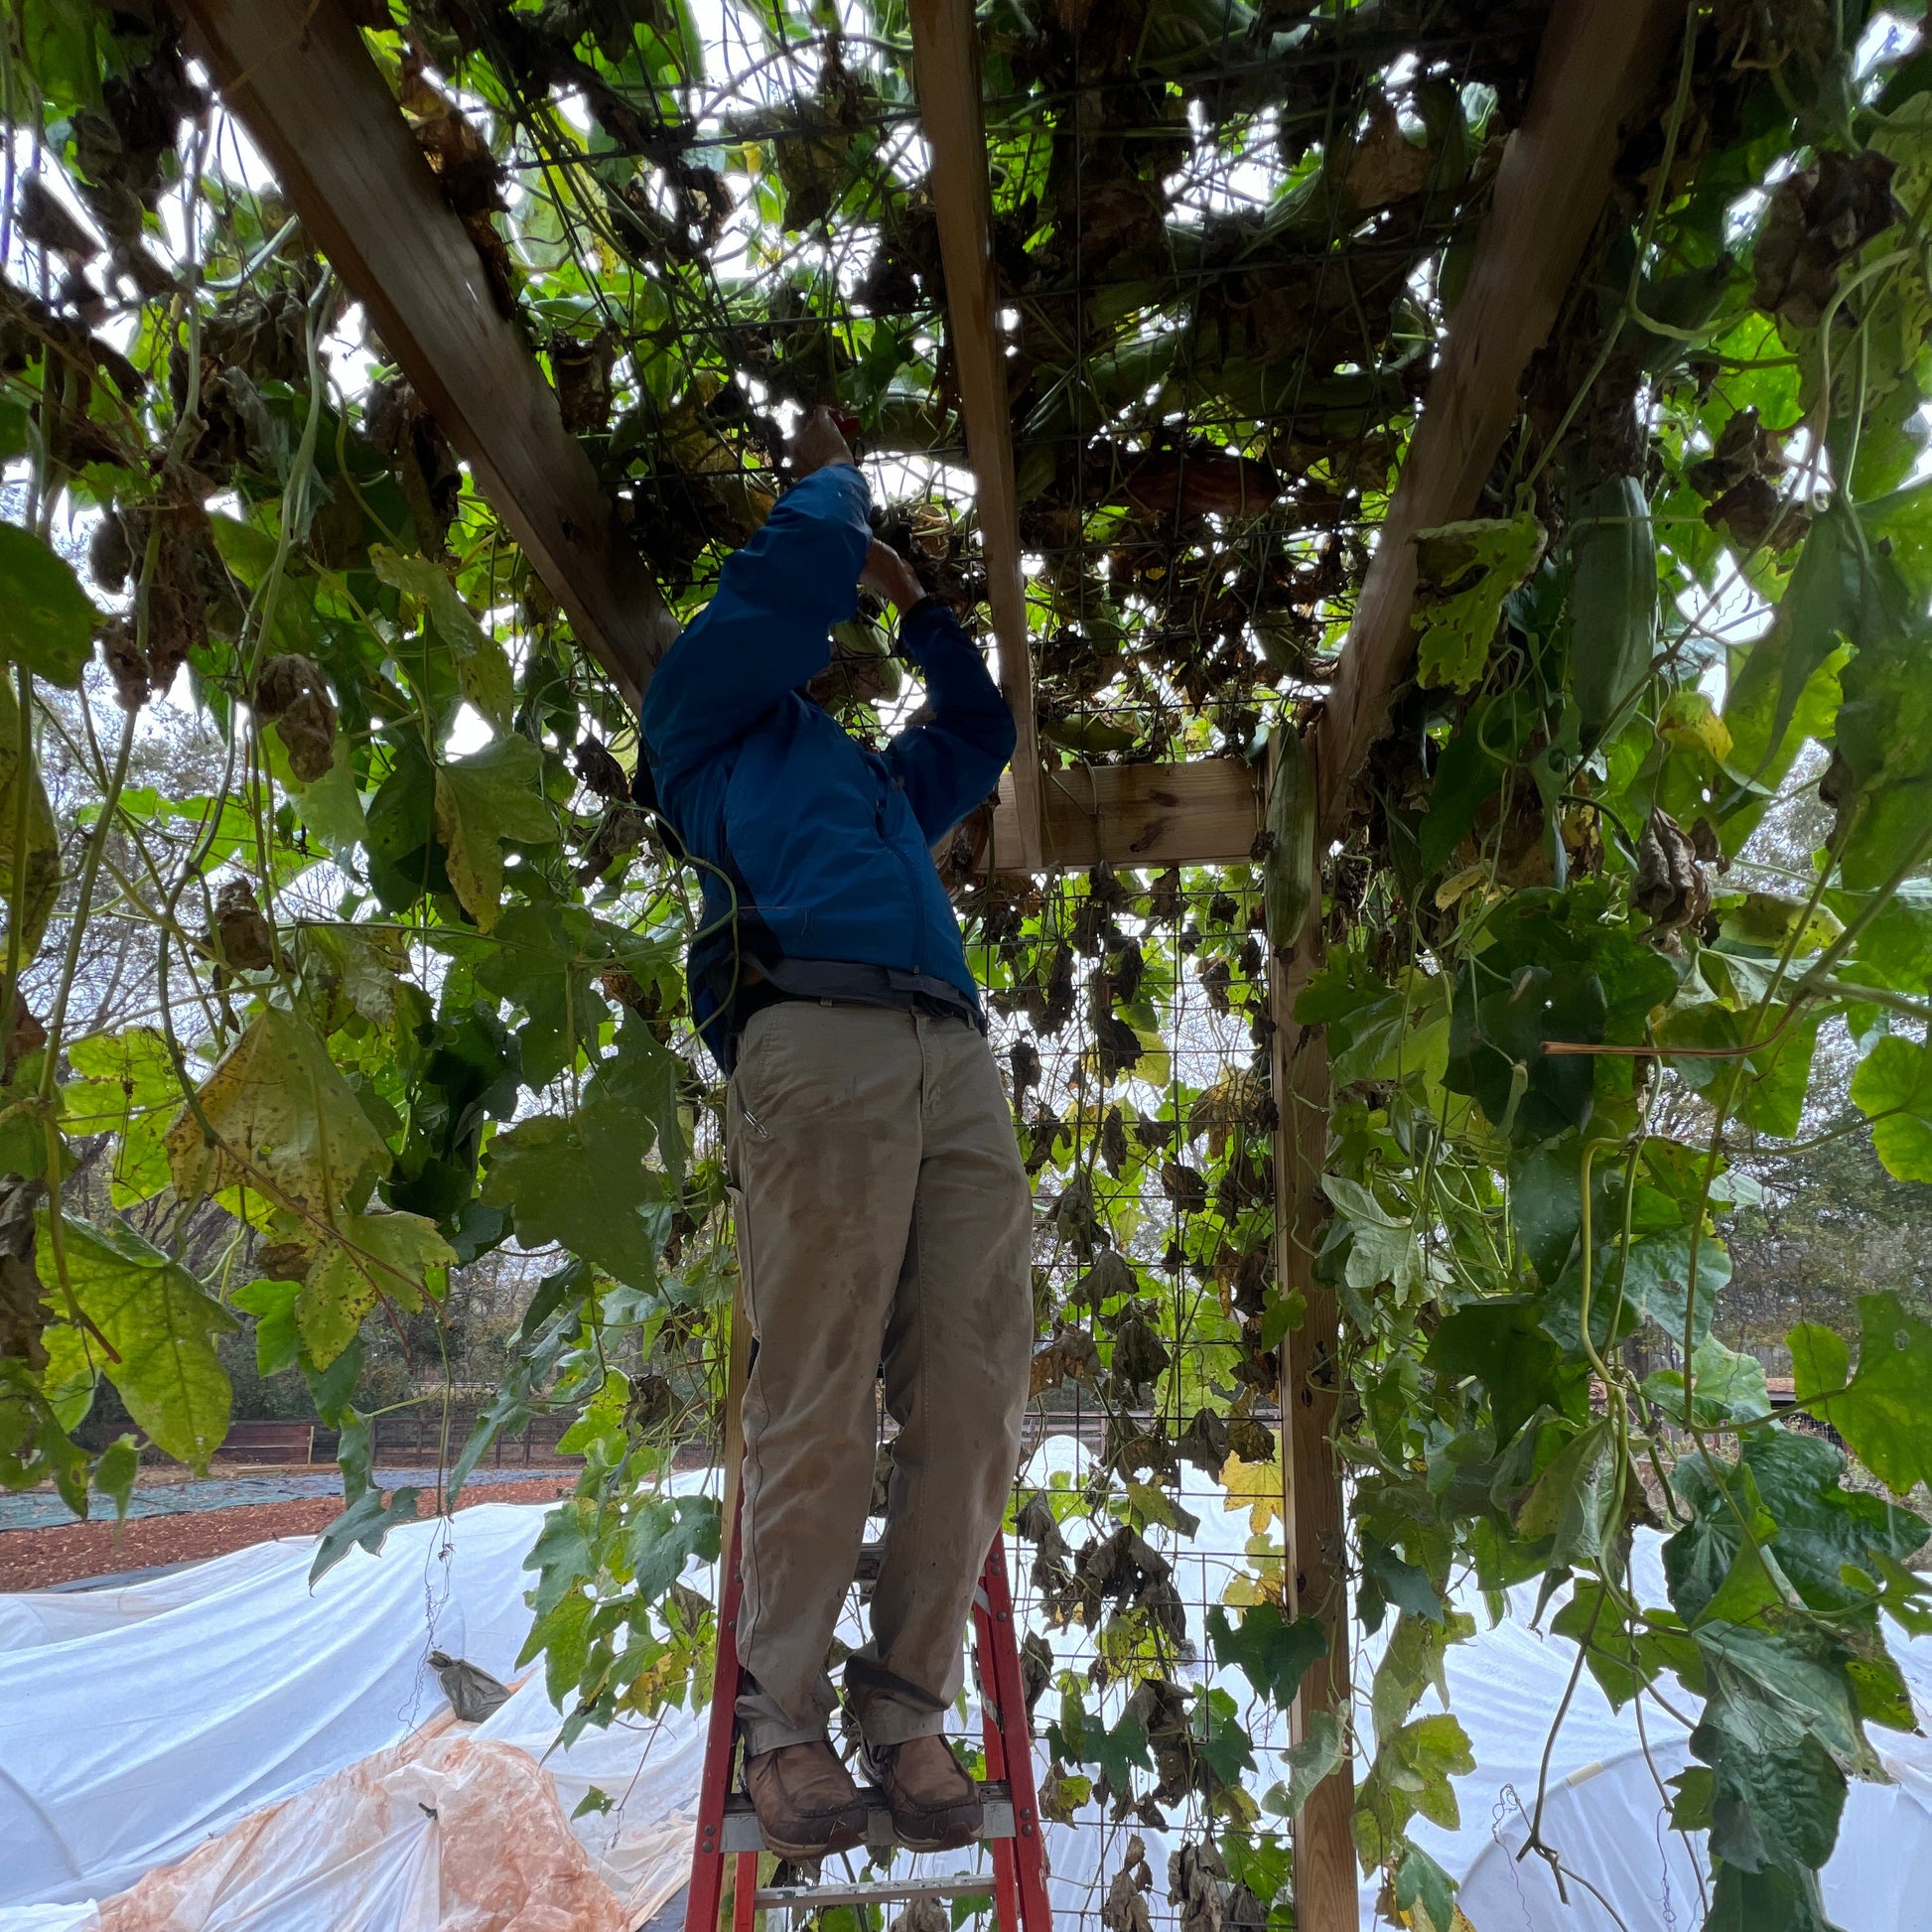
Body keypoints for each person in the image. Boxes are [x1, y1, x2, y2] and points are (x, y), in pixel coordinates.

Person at [638, 407, 1035, 1859]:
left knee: (978, 1386)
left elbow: (980, 731)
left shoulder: (871, 784)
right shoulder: (698, 720)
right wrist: (844, 488)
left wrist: (926, 614)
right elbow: (795, 574)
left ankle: (906, 1707)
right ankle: (785, 1725)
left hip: (949, 1046)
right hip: (815, 1034)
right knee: (814, 1390)